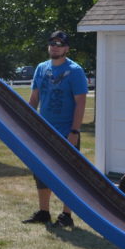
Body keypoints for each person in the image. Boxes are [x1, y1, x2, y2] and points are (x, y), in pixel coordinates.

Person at [22, 30, 88, 228]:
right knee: (41, 172)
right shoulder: (41, 69)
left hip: (66, 131)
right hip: (43, 131)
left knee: (68, 174)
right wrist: (26, 123)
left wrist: (74, 132)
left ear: (66, 48)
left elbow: (80, 104)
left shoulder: (75, 71)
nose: (55, 47)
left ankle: (66, 215)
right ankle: (44, 212)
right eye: (52, 43)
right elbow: (34, 99)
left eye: (59, 44)